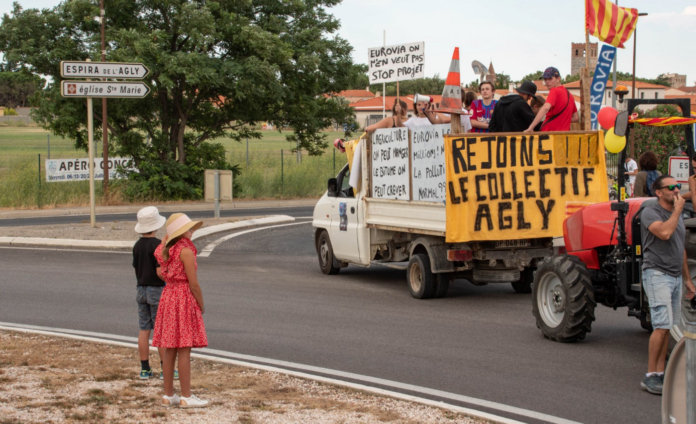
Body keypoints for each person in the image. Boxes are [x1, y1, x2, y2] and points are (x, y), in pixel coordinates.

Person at [640, 175, 696, 395]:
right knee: (661, 326)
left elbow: (679, 248)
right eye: (671, 187)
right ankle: (650, 375)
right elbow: (664, 233)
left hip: (673, 275)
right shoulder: (650, 212)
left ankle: (661, 373)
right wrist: (676, 212)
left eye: (678, 186)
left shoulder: (677, 215)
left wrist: (688, 280)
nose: (676, 190)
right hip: (657, 274)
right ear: (659, 192)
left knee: (667, 326)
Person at [153, 213, 208, 408]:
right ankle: (186, 395)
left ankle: (169, 395)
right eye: (189, 228)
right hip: (183, 297)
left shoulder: (165, 250)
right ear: (181, 232)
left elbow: (161, 271)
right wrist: (200, 303)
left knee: (170, 348)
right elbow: (194, 284)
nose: (192, 231)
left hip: (168, 296)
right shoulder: (186, 250)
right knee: (184, 348)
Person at [132, 207, 167, 380]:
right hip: (156, 289)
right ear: (156, 226)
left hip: (141, 289)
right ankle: (165, 369)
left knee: (144, 328)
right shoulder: (159, 245)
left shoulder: (137, 245)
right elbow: (160, 271)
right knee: (160, 330)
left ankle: (144, 368)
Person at [525, 67, 578, 132]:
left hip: (549, 134)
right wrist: (561, 120)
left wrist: (530, 128)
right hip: (564, 135)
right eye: (545, 79)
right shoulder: (570, 95)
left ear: (558, 79)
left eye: (550, 79)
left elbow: (546, 108)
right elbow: (576, 118)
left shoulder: (554, 91)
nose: (547, 81)